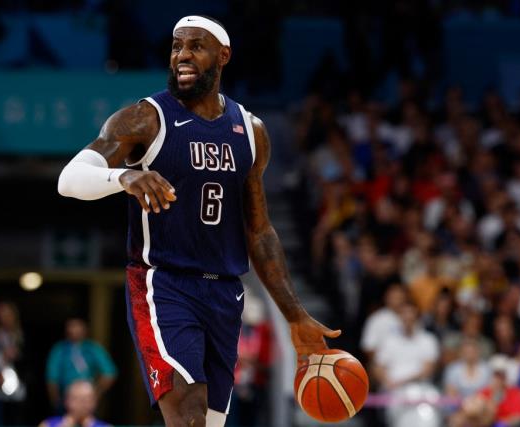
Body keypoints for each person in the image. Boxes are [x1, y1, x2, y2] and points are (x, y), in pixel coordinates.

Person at [57, 15, 340, 427]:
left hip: (225, 293)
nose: (182, 55)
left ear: (223, 56)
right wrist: (124, 176)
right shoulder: (146, 118)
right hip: (164, 284)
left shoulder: (250, 131)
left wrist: (294, 315)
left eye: (195, 46)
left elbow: (259, 231)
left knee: (208, 422)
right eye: (176, 46)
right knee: (188, 414)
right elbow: (69, 180)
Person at [46, 318, 117, 412]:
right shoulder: (59, 349)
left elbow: (109, 373)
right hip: (66, 398)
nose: (75, 330)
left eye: (78, 326)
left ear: (85, 329)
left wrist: (96, 393)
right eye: (72, 326)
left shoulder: (93, 348)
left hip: (88, 397)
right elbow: (51, 378)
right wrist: (56, 400)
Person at [39, 380, 111, 427]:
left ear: (94, 402)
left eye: (86, 399)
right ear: (67, 401)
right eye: (77, 399)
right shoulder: (47, 424)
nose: (82, 404)